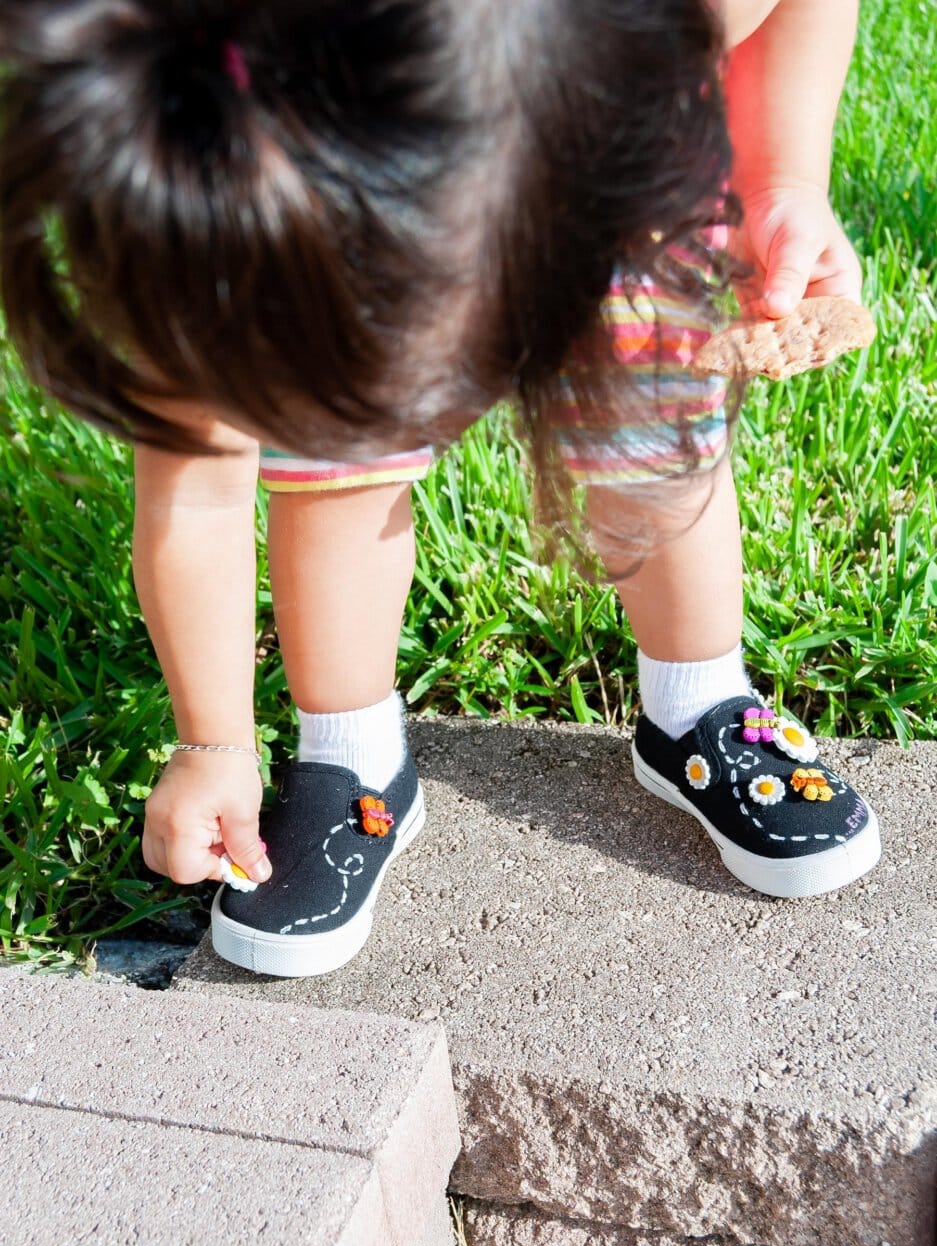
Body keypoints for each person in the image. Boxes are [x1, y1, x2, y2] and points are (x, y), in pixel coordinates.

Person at [0, 0, 879, 980]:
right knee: (334, 470)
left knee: (654, 421)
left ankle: (698, 698)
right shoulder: (234, 197)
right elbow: (195, 499)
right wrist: (213, 742)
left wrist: (783, 176)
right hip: (388, 187)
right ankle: (352, 747)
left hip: (621, 162)